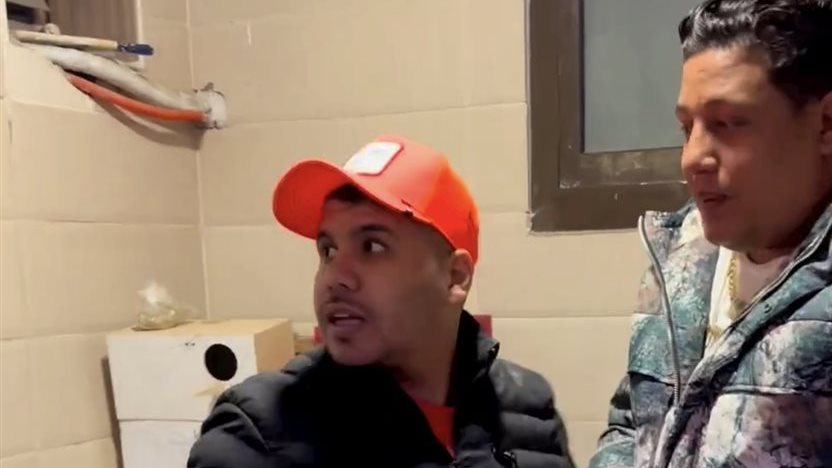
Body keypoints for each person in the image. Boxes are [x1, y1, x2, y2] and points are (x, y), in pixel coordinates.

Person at [188, 135, 574, 468]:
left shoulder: (529, 410)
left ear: (456, 277)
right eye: (328, 250)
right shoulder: (258, 434)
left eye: (372, 246)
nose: (335, 277)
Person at [589, 0, 832, 466]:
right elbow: (633, 423)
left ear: (826, 124)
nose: (693, 158)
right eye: (687, 128)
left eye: (729, 123)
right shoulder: (679, 255)